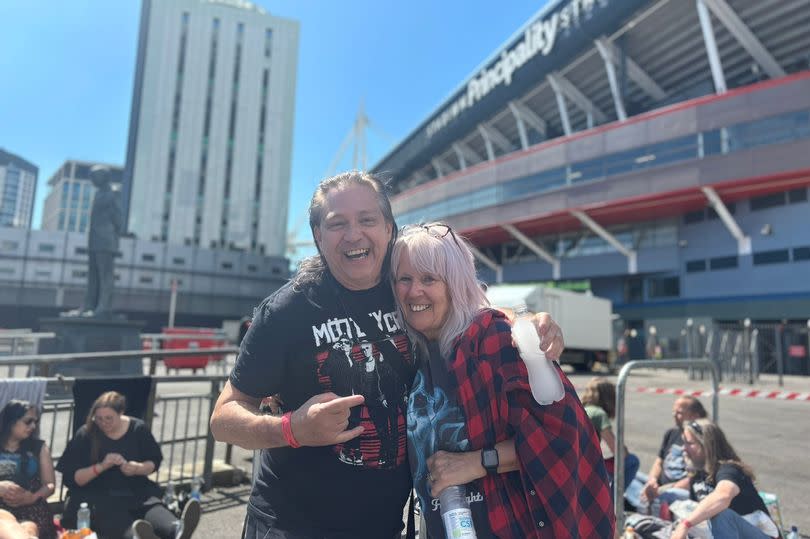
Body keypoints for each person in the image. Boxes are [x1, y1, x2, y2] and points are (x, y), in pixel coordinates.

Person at [209, 171, 565, 539]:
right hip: (291, 524)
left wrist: (524, 322)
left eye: (367, 220)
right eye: (337, 224)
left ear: (389, 229)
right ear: (318, 236)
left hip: (383, 525)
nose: (354, 234)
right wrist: (292, 429)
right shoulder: (287, 310)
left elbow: (463, 304)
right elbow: (223, 417)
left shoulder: (404, 285)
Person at [391, 222, 614, 538]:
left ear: (455, 283)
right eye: (405, 279)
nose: (415, 291)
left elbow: (564, 433)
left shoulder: (494, 340)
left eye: (429, 278)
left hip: (508, 525)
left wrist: (477, 462)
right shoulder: (414, 354)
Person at [56, 392, 200, 539]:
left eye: (109, 418)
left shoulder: (138, 428)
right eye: (98, 419)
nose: (103, 423)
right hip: (98, 495)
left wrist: (137, 468)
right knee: (115, 518)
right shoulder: (86, 433)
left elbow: (153, 462)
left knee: (152, 507)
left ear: (121, 413)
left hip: (136, 489)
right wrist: (101, 466)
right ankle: (136, 536)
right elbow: (75, 479)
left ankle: (176, 529)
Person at [671, 419, 778, 539]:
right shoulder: (697, 476)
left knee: (719, 513)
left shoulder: (729, 469)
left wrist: (685, 524)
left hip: (758, 535)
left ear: (706, 445)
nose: (684, 448)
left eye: (689, 443)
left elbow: (723, 496)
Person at [641, 395, 707, 514]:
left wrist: (661, 490)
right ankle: (645, 500)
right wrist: (652, 481)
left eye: (679, 412)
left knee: (665, 497)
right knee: (627, 472)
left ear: (695, 416)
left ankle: (647, 503)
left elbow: (695, 478)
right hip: (659, 486)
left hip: (679, 490)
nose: (674, 415)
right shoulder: (671, 433)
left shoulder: (702, 438)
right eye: (673, 411)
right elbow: (659, 462)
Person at [0, 400, 56, 539]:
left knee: (30, 528)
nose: (33, 426)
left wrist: (31, 498)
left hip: (32, 507)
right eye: (28, 421)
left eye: (35, 422)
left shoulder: (38, 447)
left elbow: (49, 485)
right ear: (11, 421)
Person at [580, 377, 640, 494]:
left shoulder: (583, 409)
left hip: (577, 463)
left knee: (639, 476)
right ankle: (611, 504)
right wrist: (624, 450)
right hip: (586, 467)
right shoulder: (599, 414)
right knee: (632, 461)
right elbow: (618, 451)